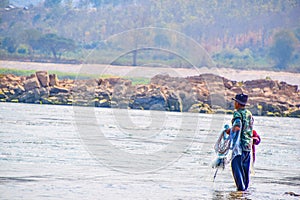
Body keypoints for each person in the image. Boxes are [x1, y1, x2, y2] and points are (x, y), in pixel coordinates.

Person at [227, 93, 254, 191]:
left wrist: (229, 131)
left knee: (236, 167)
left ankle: (240, 190)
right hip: (248, 146)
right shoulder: (249, 114)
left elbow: (237, 126)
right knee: (245, 170)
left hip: (239, 147)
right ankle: (244, 191)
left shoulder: (237, 113)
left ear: (237, 103)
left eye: (235, 101)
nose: (234, 103)